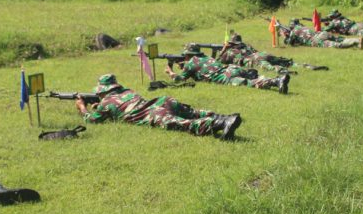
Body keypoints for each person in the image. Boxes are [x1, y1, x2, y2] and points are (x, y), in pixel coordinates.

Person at [75, 74, 242, 140]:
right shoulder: (127, 91)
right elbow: (119, 106)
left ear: (102, 90)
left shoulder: (106, 103)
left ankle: (221, 123)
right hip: (162, 101)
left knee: (182, 124)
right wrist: (99, 105)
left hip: (153, 113)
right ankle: (221, 116)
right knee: (193, 113)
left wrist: (82, 107)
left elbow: (93, 120)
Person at [165, 45, 290, 94]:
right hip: (233, 68)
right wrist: (185, 66)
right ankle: (272, 79)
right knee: (250, 78)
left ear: (188, 54)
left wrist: (170, 72)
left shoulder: (190, 63)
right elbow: (203, 67)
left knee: (248, 83)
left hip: (224, 76)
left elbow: (180, 79)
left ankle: (276, 81)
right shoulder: (206, 57)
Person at [216, 33, 327, 73]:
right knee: (286, 62)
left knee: (270, 68)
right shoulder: (246, 45)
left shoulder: (229, 52)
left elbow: (217, 63)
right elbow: (255, 51)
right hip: (263, 54)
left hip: (254, 60)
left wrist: (223, 50)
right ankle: (306, 66)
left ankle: (285, 72)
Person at [278, 20, 363, 49]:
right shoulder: (303, 27)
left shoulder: (294, 31)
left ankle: (356, 42)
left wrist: (284, 36)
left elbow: (290, 43)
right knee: (341, 39)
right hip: (323, 34)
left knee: (338, 45)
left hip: (316, 40)